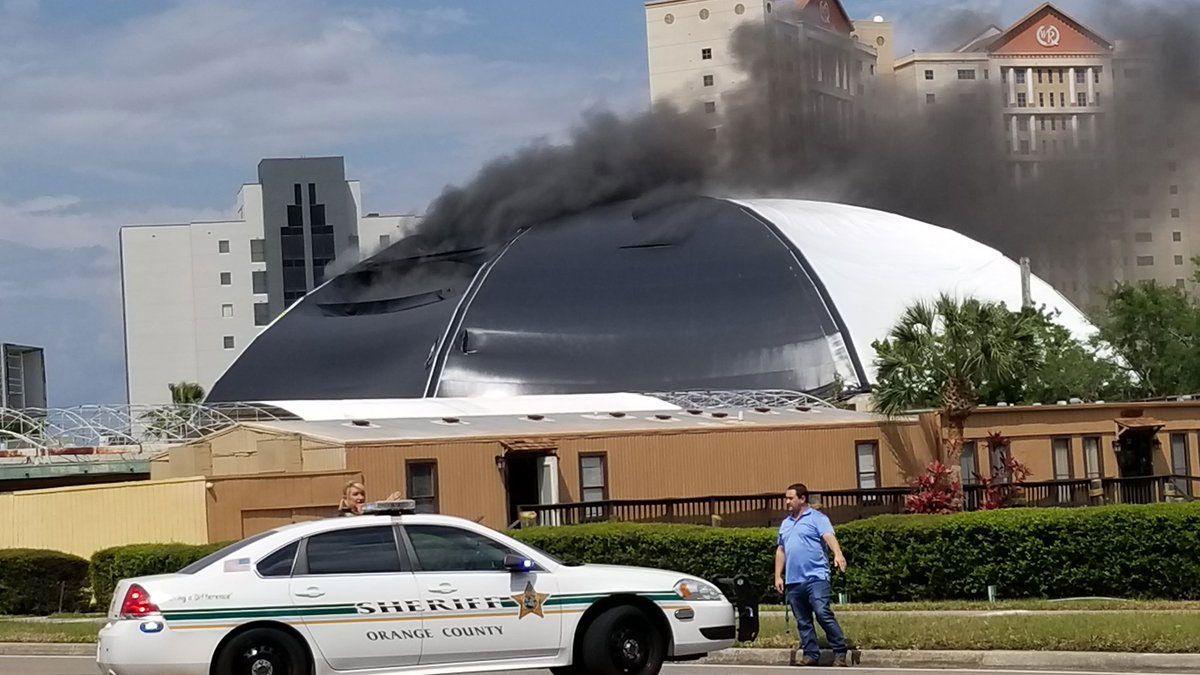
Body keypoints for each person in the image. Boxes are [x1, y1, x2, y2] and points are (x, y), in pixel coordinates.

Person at [774, 483, 849, 667]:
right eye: (786, 498)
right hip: (794, 580)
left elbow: (828, 536)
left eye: (791, 498)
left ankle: (840, 651)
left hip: (816, 577)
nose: (787, 502)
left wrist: (838, 554)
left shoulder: (817, 518)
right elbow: (781, 550)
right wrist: (778, 576)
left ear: (802, 499)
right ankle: (810, 655)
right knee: (803, 620)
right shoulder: (786, 523)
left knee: (822, 612)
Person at [338, 481, 405, 516]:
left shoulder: (369, 512)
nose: (361, 497)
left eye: (362, 494)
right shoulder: (343, 519)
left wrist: (386, 505)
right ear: (345, 498)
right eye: (355, 494)